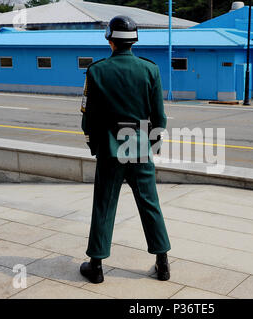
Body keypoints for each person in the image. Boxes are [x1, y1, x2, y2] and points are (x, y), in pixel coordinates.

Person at [79, 15, 171, 284]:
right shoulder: (150, 70)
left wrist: (95, 145)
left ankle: (96, 265)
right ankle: (162, 263)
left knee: (104, 206)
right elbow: (159, 118)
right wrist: (152, 145)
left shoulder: (96, 71)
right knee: (150, 205)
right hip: (140, 148)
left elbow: (89, 118)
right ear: (134, 41)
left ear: (110, 40)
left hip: (110, 150)